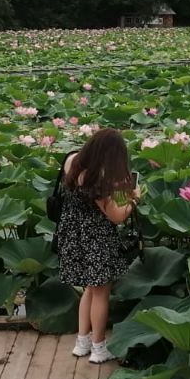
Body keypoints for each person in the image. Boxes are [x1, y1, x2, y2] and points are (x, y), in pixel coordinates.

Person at [54, 127, 138, 363]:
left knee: (90, 289)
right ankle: (99, 348)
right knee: (101, 291)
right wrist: (133, 198)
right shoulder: (97, 178)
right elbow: (117, 216)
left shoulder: (71, 160)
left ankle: (82, 342)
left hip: (73, 234)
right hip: (95, 238)